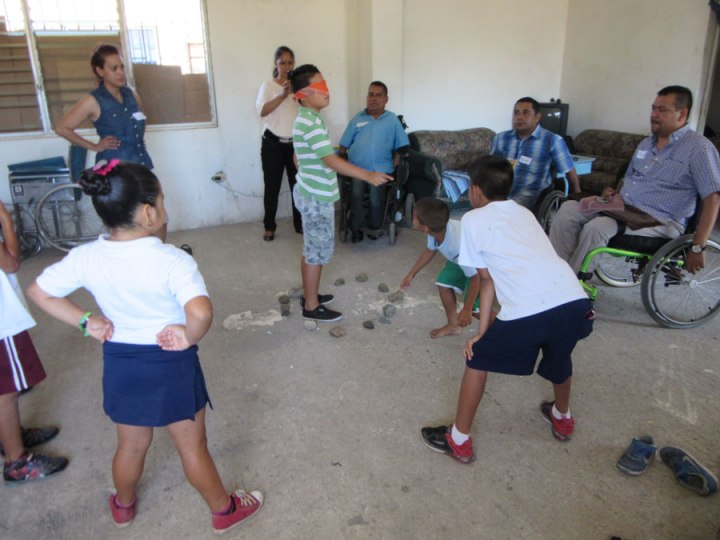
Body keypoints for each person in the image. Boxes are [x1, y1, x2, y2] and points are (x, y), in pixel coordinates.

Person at [26, 161, 262, 533]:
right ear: (150, 211)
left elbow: (38, 291)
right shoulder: (172, 260)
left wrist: (87, 321)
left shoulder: (87, 256)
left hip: (122, 362)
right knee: (192, 447)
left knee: (131, 446)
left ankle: (123, 505)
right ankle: (223, 510)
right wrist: (188, 335)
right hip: (170, 363)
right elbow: (200, 311)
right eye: (162, 199)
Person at [421, 156, 594, 464]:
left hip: (530, 310)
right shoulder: (524, 212)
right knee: (560, 355)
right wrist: (483, 331)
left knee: (477, 358)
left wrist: (481, 335)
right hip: (574, 301)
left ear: (474, 190)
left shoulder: (473, 220)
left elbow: (484, 281)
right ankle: (562, 417)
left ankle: (458, 440)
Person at [549, 86, 720, 275]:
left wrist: (698, 246)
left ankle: (572, 288)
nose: (653, 114)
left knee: (597, 227)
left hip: (660, 220)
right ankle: (558, 272)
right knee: (567, 211)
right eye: (653, 108)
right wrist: (614, 192)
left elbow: (713, 198)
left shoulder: (699, 148)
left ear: (682, 114)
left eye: (661, 110)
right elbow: (630, 177)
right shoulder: (646, 143)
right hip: (624, 209)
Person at [290, 64, 392, 322]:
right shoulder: (309, 122)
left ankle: (310, 294)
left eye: (326, 84)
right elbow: (331, 161)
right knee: (315, 252)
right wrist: (367, 175)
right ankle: (311, 306)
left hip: (312, 192)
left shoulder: (308, 119)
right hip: (316, 197)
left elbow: (304, 153)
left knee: (312, 248)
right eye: (320, 86)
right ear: (304, 94)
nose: (327, 91)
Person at [0, 203, 69, 483]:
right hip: (3, 323)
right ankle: (16, 460)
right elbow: (12, 262)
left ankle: (10, 434)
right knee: (8, 390)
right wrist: (5, 219)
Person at [400, 197, 481, 338]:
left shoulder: (457, 246)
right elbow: (430, 250)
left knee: (476, 310)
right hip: (462, 261)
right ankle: (453, 326)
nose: (411, 217)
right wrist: (412, 274)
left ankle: (507, 330)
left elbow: (476, 277)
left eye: (414, 216)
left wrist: (467, 309)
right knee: (443, 283)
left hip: (480, 266)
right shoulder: (436, 231)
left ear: (425, 228)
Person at [338, 81, 409, 242]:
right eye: (371, 94)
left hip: (381, 169)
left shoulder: (392, 120)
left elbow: (403, 147)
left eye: (378, 95)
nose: (374, 98)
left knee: (375, 194)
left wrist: (395, 163)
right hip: (358, 168)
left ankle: (374, 226)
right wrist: (341, 159)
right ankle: (355, 228)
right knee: (356, 191)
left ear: (386, 99)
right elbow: (343, 145)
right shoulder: (358, 118)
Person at [491, 97, 580, 209]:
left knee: (504, 210)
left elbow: (569, 171)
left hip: (530, 193)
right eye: (516, 113)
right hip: (502, 188)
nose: (519, 117)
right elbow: (491, 166)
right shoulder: (501, 138)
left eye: (526, 113)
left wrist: (577, 198)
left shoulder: (552, 140)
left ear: (537, 117)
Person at [256, 46, 303, 241]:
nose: (286, 66)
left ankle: (300, 224)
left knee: (298, 186)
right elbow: (262, 111)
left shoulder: (299, 87)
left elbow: (308, 110)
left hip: (295, 144)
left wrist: (296, 93)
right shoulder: (268, 85)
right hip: (272, 143)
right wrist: (283, 95)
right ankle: (269, 226)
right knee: (272, 187)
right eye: (282, 62)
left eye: (290, 62)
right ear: (276, 64)